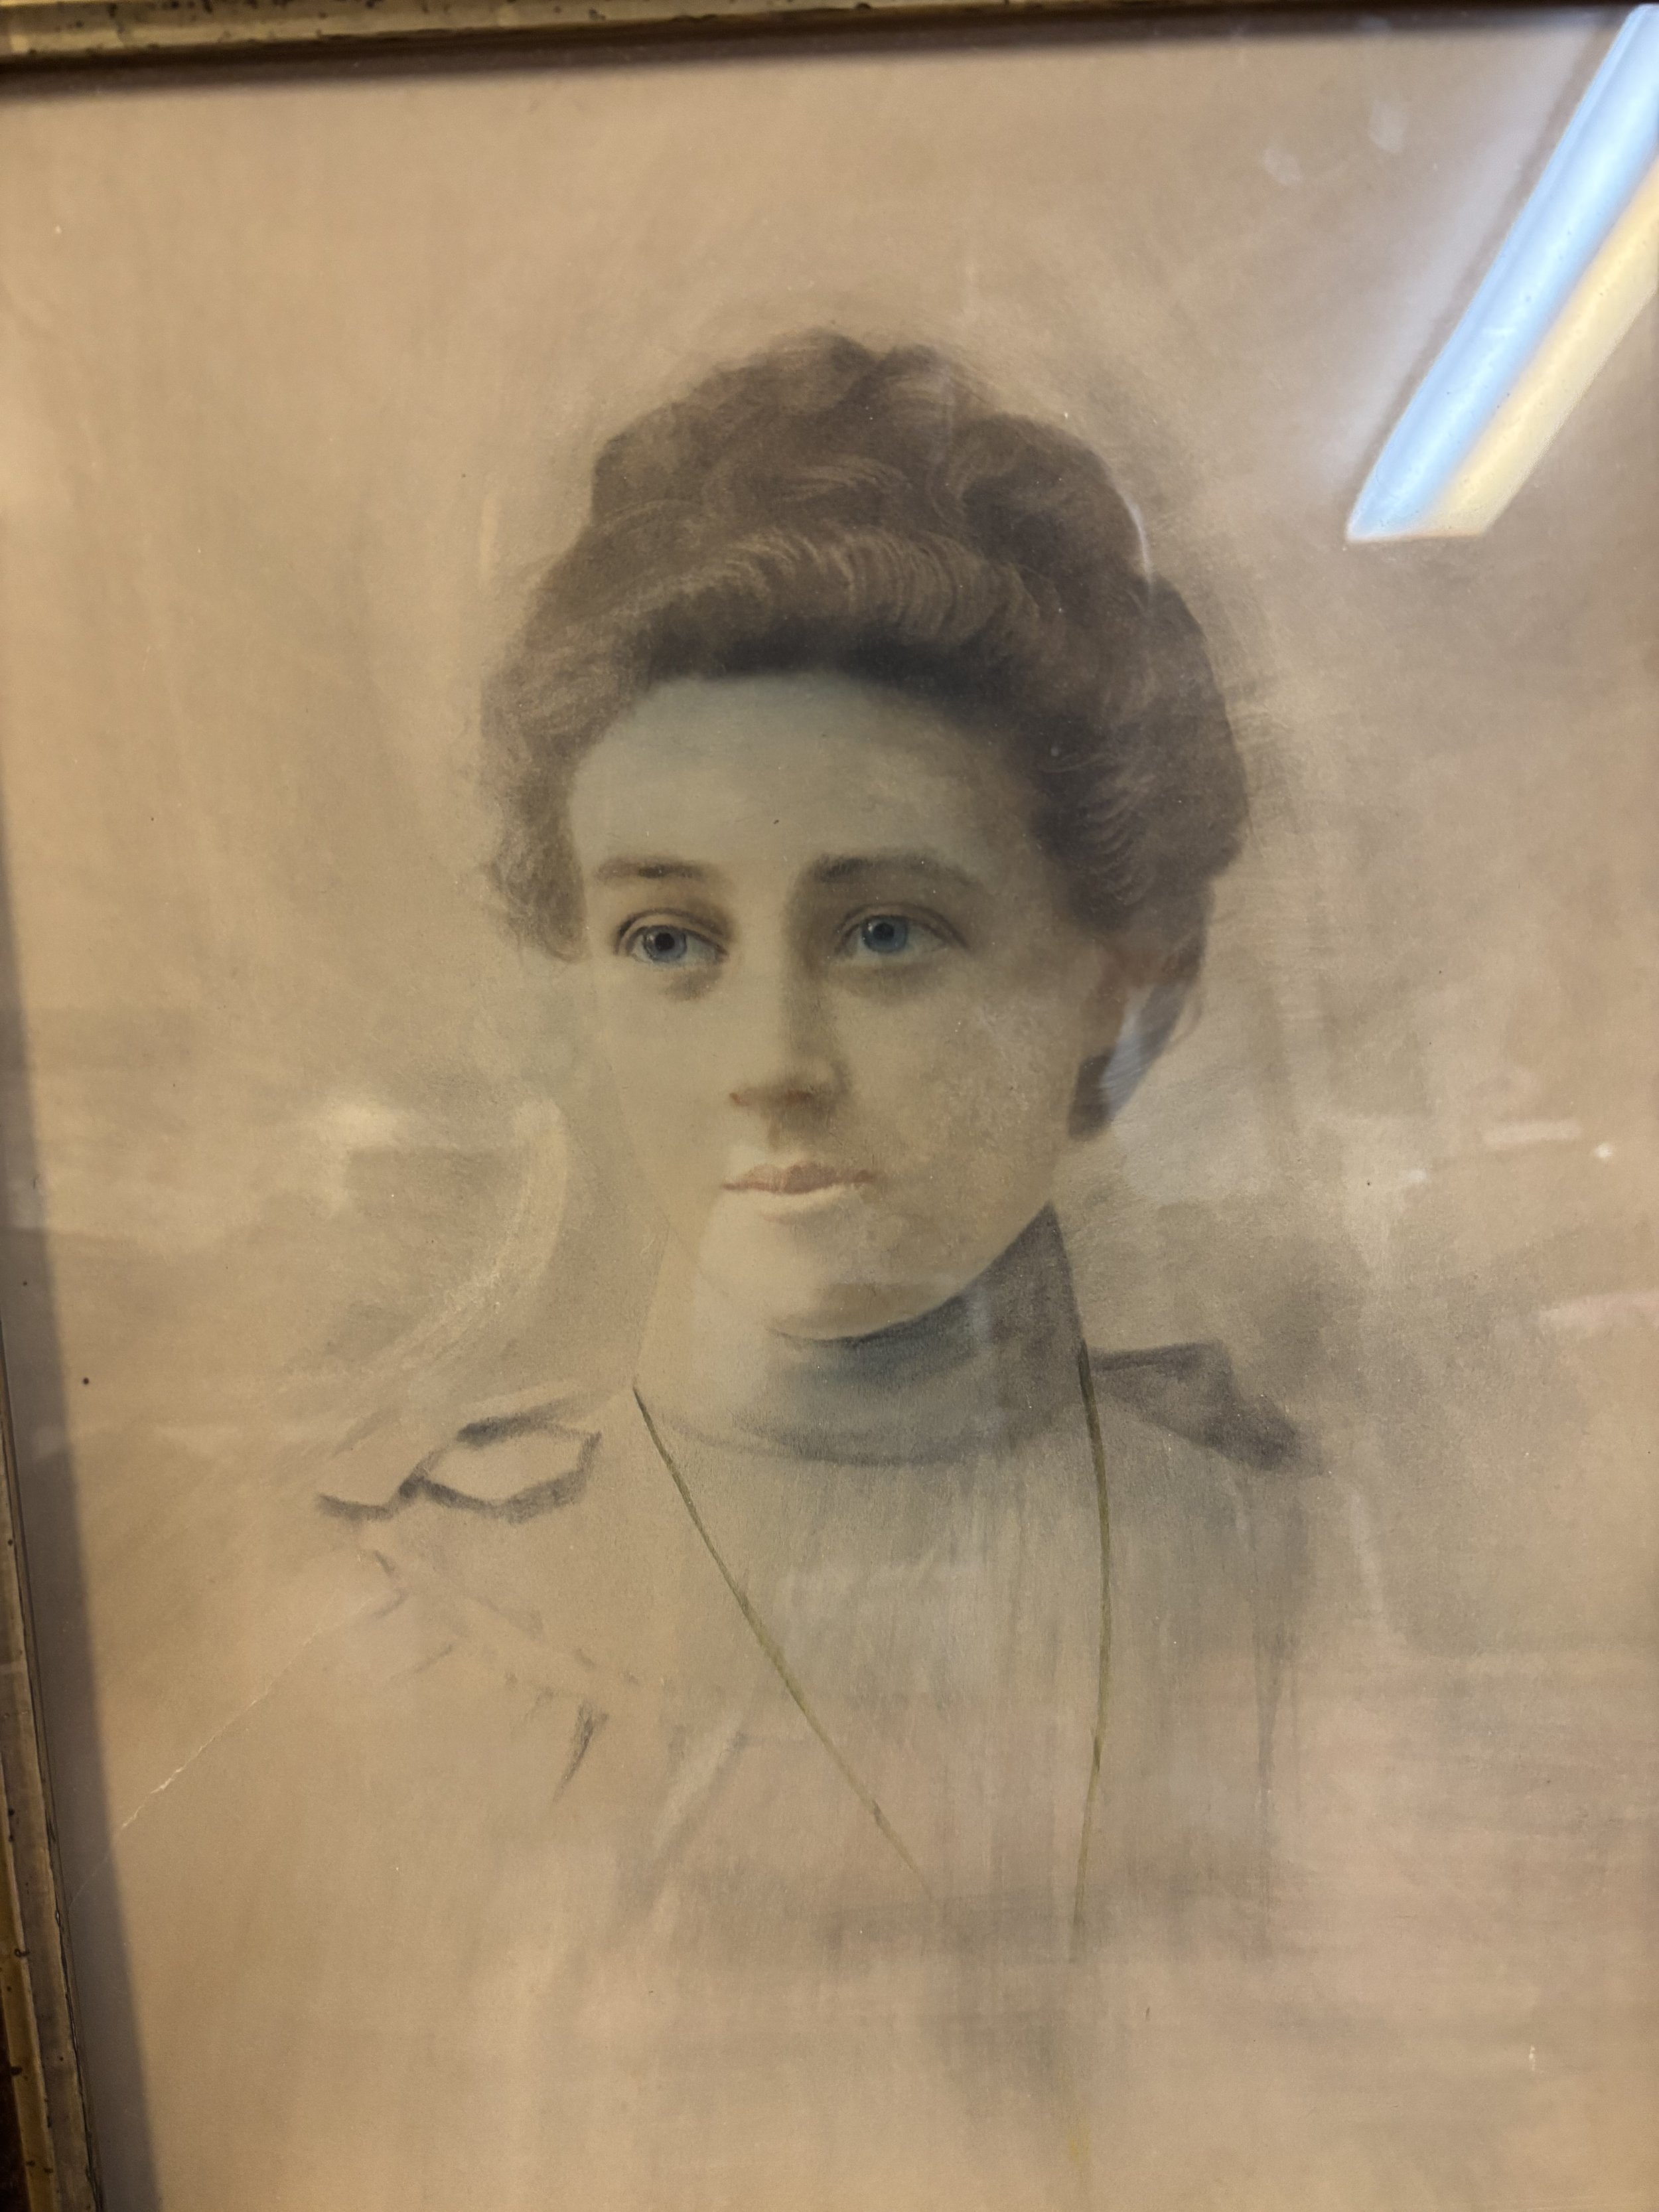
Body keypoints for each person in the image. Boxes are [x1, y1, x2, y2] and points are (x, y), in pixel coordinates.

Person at [106, 334, 1325, 2211]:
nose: (772, 1061)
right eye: (670, 938)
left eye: (886, 929)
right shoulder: (399, 1624)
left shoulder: (1289, 1565)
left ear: (1117, 970)